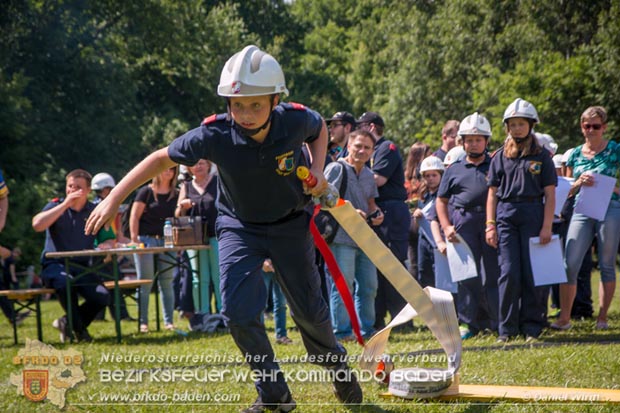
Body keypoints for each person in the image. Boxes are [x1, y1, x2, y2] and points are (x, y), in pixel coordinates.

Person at [85, 45, 362, 411]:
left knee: (310, 314)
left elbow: (320, 130)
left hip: (291, 224)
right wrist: (114, 198)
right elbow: (159, 158)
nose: (245, 114)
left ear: (275, 100)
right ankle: (275, 396)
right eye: (237, 104)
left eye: (256, 105)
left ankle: (338, 369)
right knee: (238, 312)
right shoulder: (212, 134)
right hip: (238, 227)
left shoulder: (295, 120)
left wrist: (319, 168)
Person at [485, 98, 556, 342]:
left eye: (521, 124)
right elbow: (492, 193)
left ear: (530, 125)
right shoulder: (499, 156)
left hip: (533, 215)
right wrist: (490, 224)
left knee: (531, 273)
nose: (517, 128)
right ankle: (507, 330)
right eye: (512, 124)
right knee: (509, 272)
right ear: (507, 127)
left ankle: (532, 328)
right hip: (505, 216)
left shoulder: (542, 156)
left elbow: (550, 193)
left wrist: (547, 226)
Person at [552, 106, 620, 331]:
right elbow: (566, 191)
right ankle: (564, 318)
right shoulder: (572, 154)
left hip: (610, 207)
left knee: (606, 264)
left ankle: (602, 318)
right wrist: (578, 182)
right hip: (582, 209)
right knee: (569, 263)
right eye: (587, 126)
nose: (591, 130)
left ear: (604, 127)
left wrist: (612, 188)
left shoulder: (614, 150)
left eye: (596, 126)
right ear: (581, 127)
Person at [436, 113, 499, 339]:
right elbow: (441, 201)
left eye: (478, 139)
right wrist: (446, 226)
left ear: (486, 141)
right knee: (466, 277)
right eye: (469, 139)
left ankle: (496, 321)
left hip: (491, 225)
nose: (473, 143)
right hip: (462, 227)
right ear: (462, 141)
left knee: (493, 274)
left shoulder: (496, 165)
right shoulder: (454, 169)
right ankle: (468, 323)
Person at [32, 169, 114, 342]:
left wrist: (105, 246)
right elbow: (37, 225)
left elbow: (108, 239)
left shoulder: (94, 210)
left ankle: (67, 323)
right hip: (55, 266)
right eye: (70, 186)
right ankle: (81, 332)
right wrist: (65, 205)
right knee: (65, 284)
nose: (72, 190)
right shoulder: (55, 206)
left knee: (102, 296)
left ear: (89, 190)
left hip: (82, 267)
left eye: (78, 187)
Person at [324, 129, 383, 342]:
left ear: (372, 151)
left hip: (364, 237)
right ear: (349, 146)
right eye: (358, 146)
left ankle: (367, 330)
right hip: (340, 238)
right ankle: (341, 332)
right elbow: (322, 198)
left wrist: (376, 213)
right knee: (343, 285)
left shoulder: (368, 174)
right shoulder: (336, 168)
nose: (362, 151)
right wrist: (347, 209)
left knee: (369, 286)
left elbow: (370, 202)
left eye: (367, 147)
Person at [357, 111, 411, 331]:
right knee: (377, 267)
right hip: (377, 209)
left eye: (360, 128)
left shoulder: (386, 148)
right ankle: (378, 319)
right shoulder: (374, 150)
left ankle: (402, 320)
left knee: (394, 265)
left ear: (370, 127)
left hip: (391, 210)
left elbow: (378, 179)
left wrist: (354, 175)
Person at [130, 166, 179, 333]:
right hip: (146, 240)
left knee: (167, 282)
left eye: (172, 170)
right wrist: (134, 239)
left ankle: (169, 322)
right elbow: (134, 216)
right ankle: (143, 323)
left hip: (169, 241)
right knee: (145, 282)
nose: (168, 172)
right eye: (166, 168)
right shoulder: (146, 192)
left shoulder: (176, 193)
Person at [175, 158, 219, 315]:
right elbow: (177, 214)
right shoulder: (186, 186)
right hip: (195, 239)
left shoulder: (218, 182)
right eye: (194, 163)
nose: (198, 166)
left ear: (209, 164)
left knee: (218, 277)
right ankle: (203, 313)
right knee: (199, 278)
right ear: (188, 168)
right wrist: (182, 206)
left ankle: (222, 314)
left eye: (202, 163)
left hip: (216, 236)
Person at [91, 172, 134, 322]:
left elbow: (116, 234)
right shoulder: (100, 209)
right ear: (104, 190)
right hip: (101, 253)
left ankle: (100, 316)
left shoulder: (105, 207)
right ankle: (120, 316)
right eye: (110, 189)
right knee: (113, 282)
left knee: (107, 282)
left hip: (106, 251)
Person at [413, 156, 444, 288]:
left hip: (438, 240)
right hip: (423, 239)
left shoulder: (444, 195)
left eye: (434, 175)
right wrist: (416, 214)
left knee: (439, 274)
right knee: (423, 272)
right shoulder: (423, 196)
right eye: (427, 176)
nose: (430, 178)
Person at [404, 142, 431, 280]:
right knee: (422, 265)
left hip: (407, 223)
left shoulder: (405, 179)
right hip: (421, 224)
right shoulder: (425, 180)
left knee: (413, 264)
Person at [262, 259, 292, 345]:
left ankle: (281, 336)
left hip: (280, 264)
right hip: (262, 265)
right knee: (260, 304)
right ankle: (259, 338)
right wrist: (263, 261)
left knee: (281, 303)